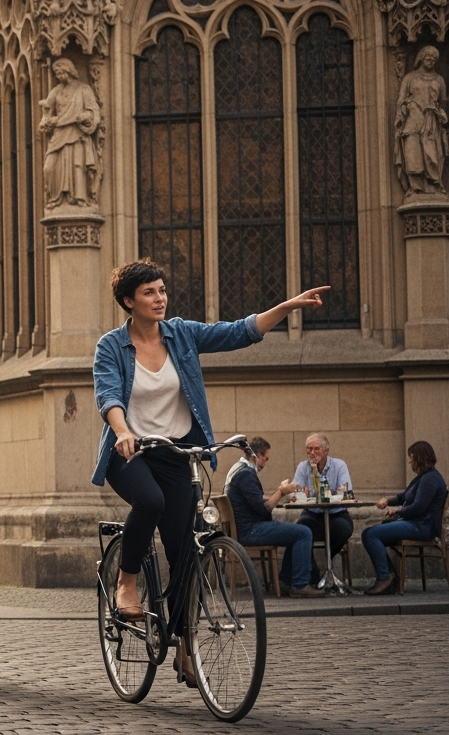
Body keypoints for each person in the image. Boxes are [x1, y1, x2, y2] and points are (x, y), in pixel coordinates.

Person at [92, 258, 328, 687]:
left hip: (177, 454)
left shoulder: (181, 333)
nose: (160, 298)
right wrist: (122, 431)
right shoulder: (111, 346)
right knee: (150, 501)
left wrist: (288, 306)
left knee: (186, 552)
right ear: (128, 301)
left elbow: (239, 331)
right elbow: (109, 394)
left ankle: (186, 645)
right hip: (131, 454)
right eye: (149, 292)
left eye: (162, 290)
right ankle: (127, 581)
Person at [224, 437, 324, 597]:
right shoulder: (246, 474)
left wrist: (277, 493)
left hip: (244, 528)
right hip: (250, 530)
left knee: (295, 532)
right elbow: (265, 509)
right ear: (256, 456)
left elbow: (254, 500)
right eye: (265, 459)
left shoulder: (237, 469)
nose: (264, 464)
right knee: (303, 532)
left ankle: (287, 580)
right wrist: (281, 492)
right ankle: (300, 585)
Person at [362, 441, 447, 595]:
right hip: (416, 524)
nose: (409, 461)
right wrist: (387, 501)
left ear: (419, 458)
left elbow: (418, 507)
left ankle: (386, 577)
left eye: (411, 457)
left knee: (370, 534)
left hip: (422, 527)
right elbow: (404, 496)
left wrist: (398, 511)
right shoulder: (422, 477)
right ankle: (389, 576)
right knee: (372, 533)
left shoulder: (430, 479)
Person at [291, 433, 354, 584]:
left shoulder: (339, 465)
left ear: (326, 450)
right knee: (300, 531)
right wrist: (296, 493)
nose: (312, 452)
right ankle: (313, 575)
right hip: (312, 514)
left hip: (336, 514)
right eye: (309, 449)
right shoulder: (303, 467)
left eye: (316, 449)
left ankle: (328, 564)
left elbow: (344, 491)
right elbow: (296, 491)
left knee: (343, 528)